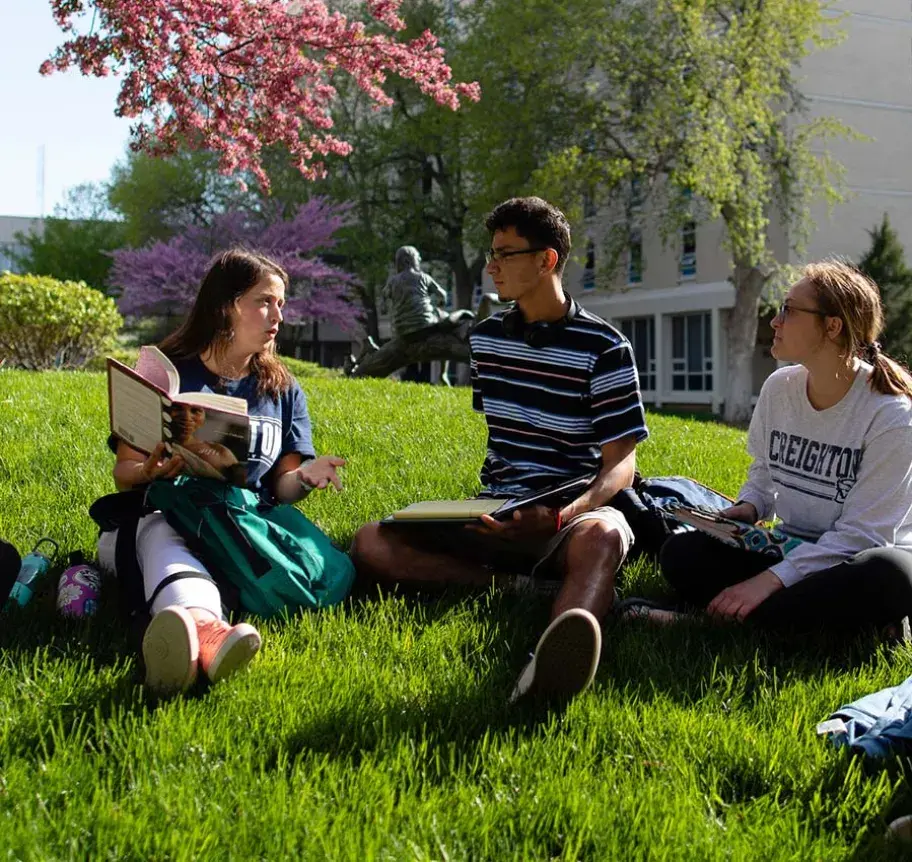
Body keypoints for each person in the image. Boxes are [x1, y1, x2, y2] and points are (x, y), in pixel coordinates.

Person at [351, 197, 649, 701]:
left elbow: (621, 464)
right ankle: (523, 589)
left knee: (601, 539)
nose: (491, 266)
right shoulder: (486, 340)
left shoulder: (606, 346)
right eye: (492, 253)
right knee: (370, 542)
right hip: (496, 508)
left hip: (571, 513)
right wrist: (487, 512)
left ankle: (549, 670)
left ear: (546, 260)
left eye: (505, 254)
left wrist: (561, 515)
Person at [98, 249, 347, 695]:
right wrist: (150, 471)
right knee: (163, 533)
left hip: (237, 526)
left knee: (215, 551)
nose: (277, 316)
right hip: (156, 516)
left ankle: (191, 636)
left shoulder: (283, 389)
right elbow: (124, 473)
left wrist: (306, 475)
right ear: (226, 305)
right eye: (264, 301)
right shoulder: (167, 372)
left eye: (281, 304)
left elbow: (282, 488)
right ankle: (207, 636)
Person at [645, 260, 912, 633]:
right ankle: (833, 624)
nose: (775, 321)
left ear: (832, 326)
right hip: (790, 546)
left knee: (889, 577)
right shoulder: (779, 387)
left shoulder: (891, 414)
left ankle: (706, 622)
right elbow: (764, 473)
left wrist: (770, 580)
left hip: (853, 559)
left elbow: (862, 536)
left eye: (789, 310)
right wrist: (749, 506)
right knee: (681, 553)